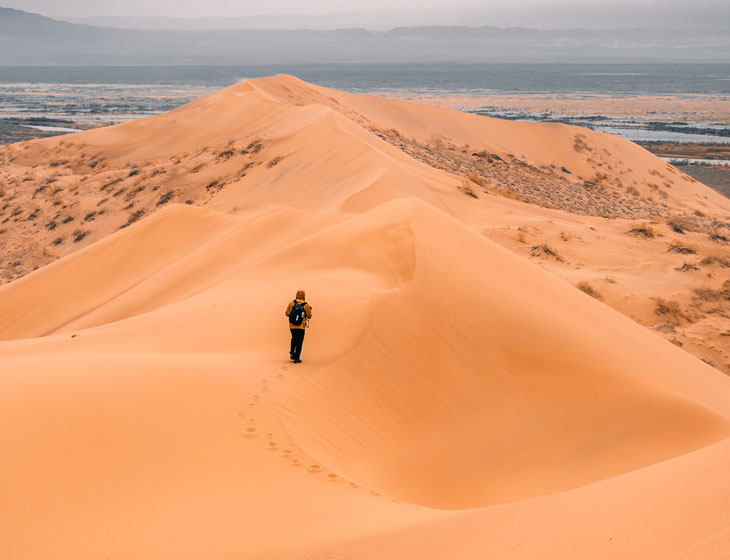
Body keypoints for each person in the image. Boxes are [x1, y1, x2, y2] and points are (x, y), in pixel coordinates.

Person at [285, 290, 312, 364]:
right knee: (299, 341)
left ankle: (292, 352)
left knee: (294, 338)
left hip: (292, 326)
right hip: (301, 327)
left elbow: (287, 313)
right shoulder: (305, 305)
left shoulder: (292, 303)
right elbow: (309, 316)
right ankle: (297, 358)